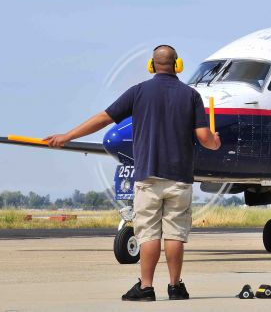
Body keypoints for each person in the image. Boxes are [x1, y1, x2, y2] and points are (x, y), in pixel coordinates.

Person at [45, 45, 221, 301]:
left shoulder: (138, 92)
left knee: (148, 234)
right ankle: (176, 287)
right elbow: (204, 138)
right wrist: (215, 141)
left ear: (152, 66)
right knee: (174, 235)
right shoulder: (191, 95)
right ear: (177, 65)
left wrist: (67, 136)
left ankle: (146, 288)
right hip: (180, 179)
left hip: (148, 177)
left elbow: (104, 118)